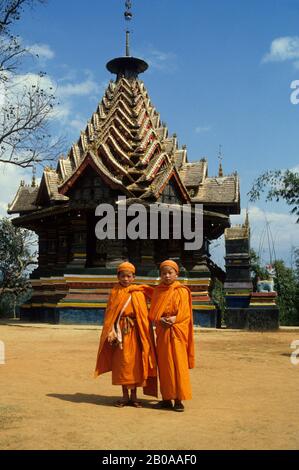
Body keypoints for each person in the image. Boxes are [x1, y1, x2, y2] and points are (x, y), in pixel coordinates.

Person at [94, 262, 157, 407]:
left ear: (134, 277)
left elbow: (143, 314)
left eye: (129, 276)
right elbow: (110, 315)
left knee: (136, 364)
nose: (126, 279)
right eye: (123, 276)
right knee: (122, 364)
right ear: (118, 277)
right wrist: (111, 331)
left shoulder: (138, 292)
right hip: (120, 333)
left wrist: (146, 332)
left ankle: (134, 396)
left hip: (136, 333)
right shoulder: (114, 292)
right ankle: (124, 396)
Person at [149, 260, 194, 412]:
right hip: (163, 332)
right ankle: (167, 398)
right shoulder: (158, 291)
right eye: (164, 273)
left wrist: (175, 319)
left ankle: (179, 400)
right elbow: (153, 313)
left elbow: (186, 314)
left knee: (178, 365)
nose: (167, 276)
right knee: (165, 365)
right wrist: (160, 319)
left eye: (170, 273)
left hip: (177, 332)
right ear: (160, 275)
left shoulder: (182, 290)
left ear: (177, 274)